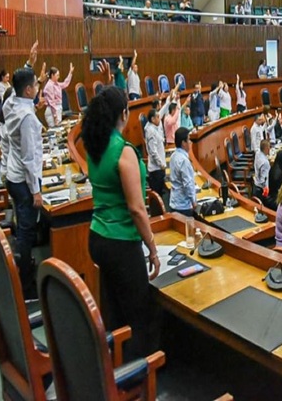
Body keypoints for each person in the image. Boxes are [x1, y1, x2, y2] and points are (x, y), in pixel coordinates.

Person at [82, 85, 159, 358]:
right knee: (139, 316)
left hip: (97, 236)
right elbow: (137, 208)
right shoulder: (124, 151)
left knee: (114, 310)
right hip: (121, 243)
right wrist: (151, 246)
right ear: (124, 114)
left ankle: (113, 366)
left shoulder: (94, 144)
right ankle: (137, 377)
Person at [4, 67, 44, 298]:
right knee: (26, 233)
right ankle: (27, 287)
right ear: (28, 90)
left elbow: (12, 94)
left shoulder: (12, 104)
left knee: (23, 229)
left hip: (13, 176)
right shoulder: (27, 117)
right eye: (35, 85)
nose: (37, 88)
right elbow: (30, 158)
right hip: (24, 180)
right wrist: (36, 191)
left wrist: (28, 62)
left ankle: (25, 269)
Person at [168, 127, 196, 216]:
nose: (190, 142)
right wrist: (194, 201)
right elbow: (187, 184)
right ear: (183, 143)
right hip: (184, 207)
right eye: (189, 140)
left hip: (174, 203)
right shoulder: (184, 161)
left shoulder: (173, 156)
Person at [144, 107, 168, 200]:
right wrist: (161, 164)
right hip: (156, 169)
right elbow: (153, 151)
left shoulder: (154, 128)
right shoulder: (150, 131)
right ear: (152, 119)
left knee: (160, 196)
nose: (159, 118)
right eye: (157, 117)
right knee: (157, 198)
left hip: (159, 168)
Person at [252, 139, 271, 205]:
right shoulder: (265, 163)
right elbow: (264, 180)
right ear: (266, 148)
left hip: (255, 185)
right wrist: (266, 191)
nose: (269, 149)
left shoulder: (257, 154)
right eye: (269, 147)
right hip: (261, 190)